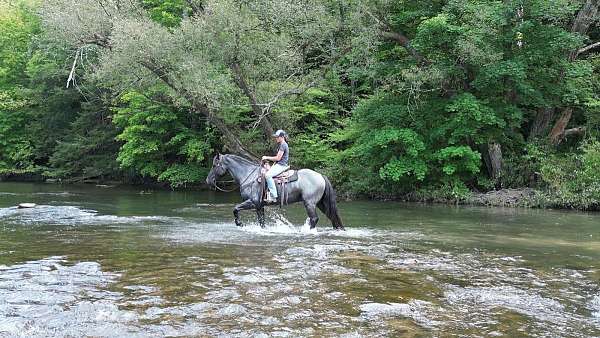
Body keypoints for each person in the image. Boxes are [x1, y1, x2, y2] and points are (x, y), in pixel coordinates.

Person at [262, 129, 289, 203]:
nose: (276, 138)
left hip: (281, 165)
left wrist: (266, 157)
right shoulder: (281, 144)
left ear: (282, 137)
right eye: (276, 137)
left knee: (267, 175)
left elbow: (278, 158)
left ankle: (274, 196)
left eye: (277, 137)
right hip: (279, 164)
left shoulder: (283, 145)